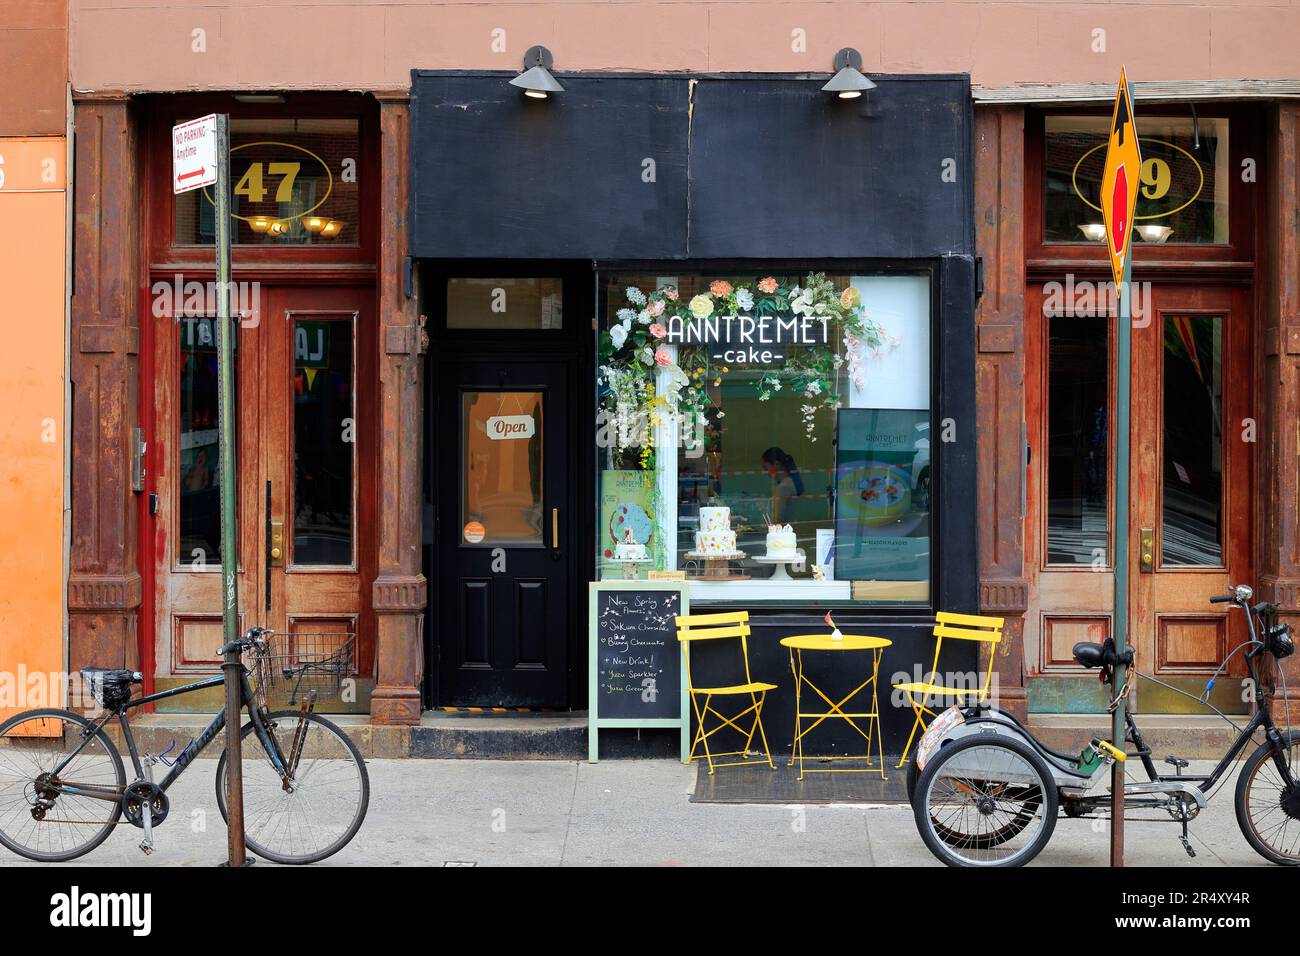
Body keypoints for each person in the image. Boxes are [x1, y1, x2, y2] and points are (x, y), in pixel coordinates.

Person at [761, 447, 803, 525]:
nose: (767, 473)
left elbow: (777, 519)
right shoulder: (790, 481)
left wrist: (762, 508)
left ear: (776, 464)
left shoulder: (783, 487)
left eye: (767, 468)